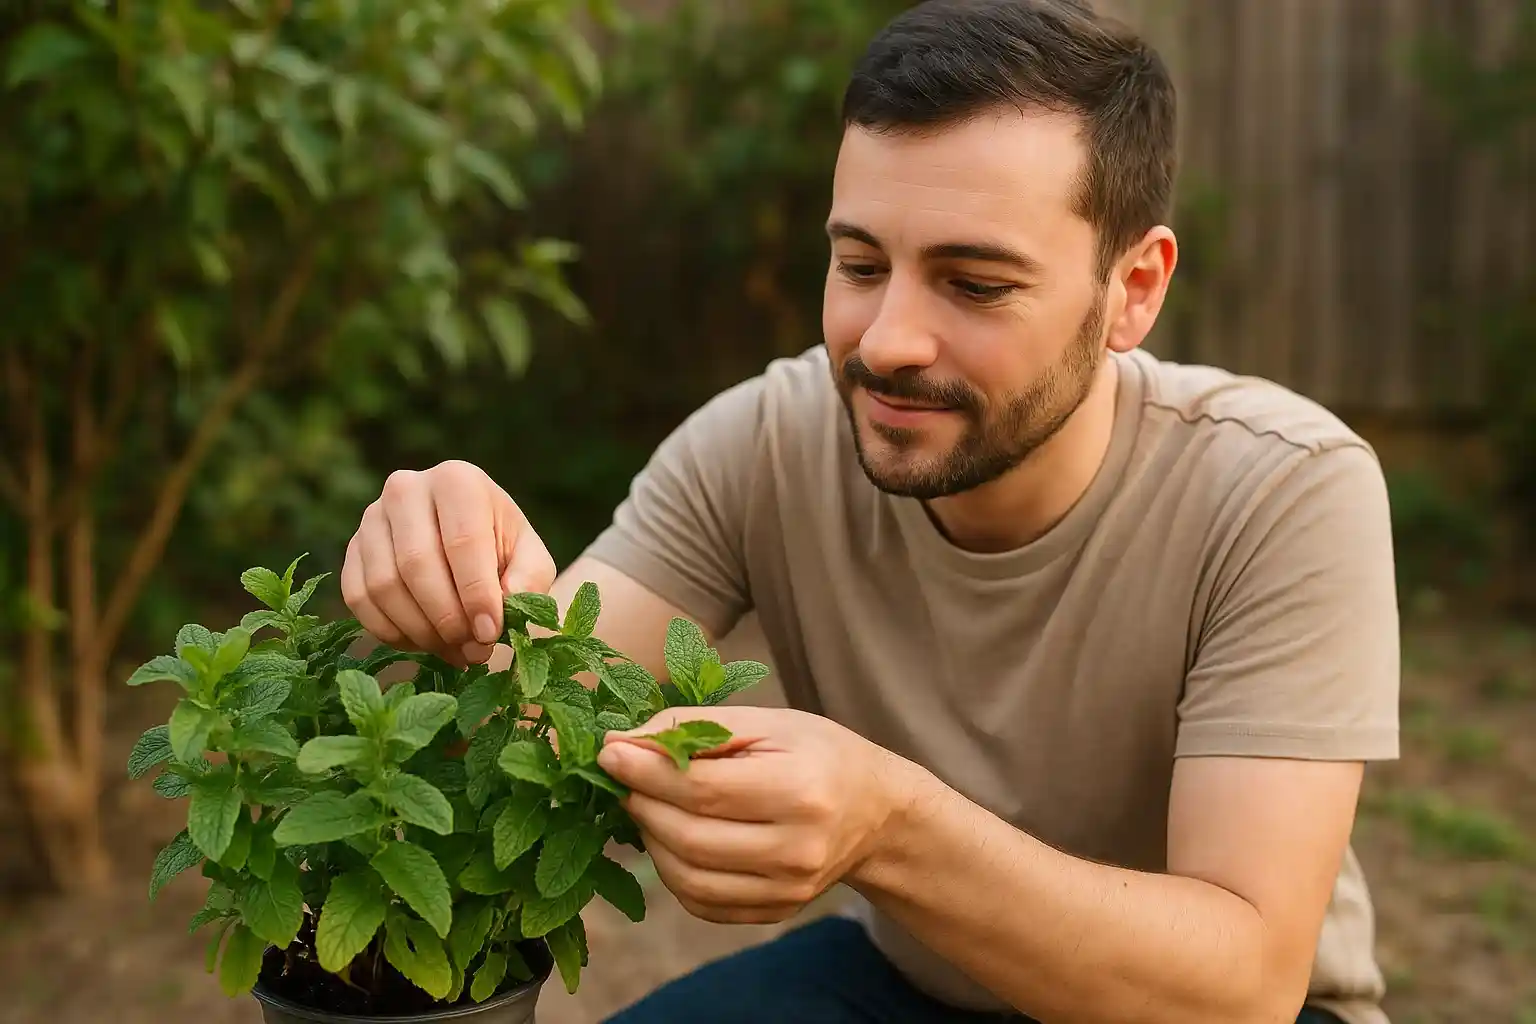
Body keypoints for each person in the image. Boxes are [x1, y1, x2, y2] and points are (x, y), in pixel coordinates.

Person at [340, 1, 1401, 1021]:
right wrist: (457, 584)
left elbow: (1243, 985)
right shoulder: (766, 439)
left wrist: (891, 828)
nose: (885, 339)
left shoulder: (1282, 487)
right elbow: (528, 714)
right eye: (859, 263)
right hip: (914, 983)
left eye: (975, 284)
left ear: (1133, 289)